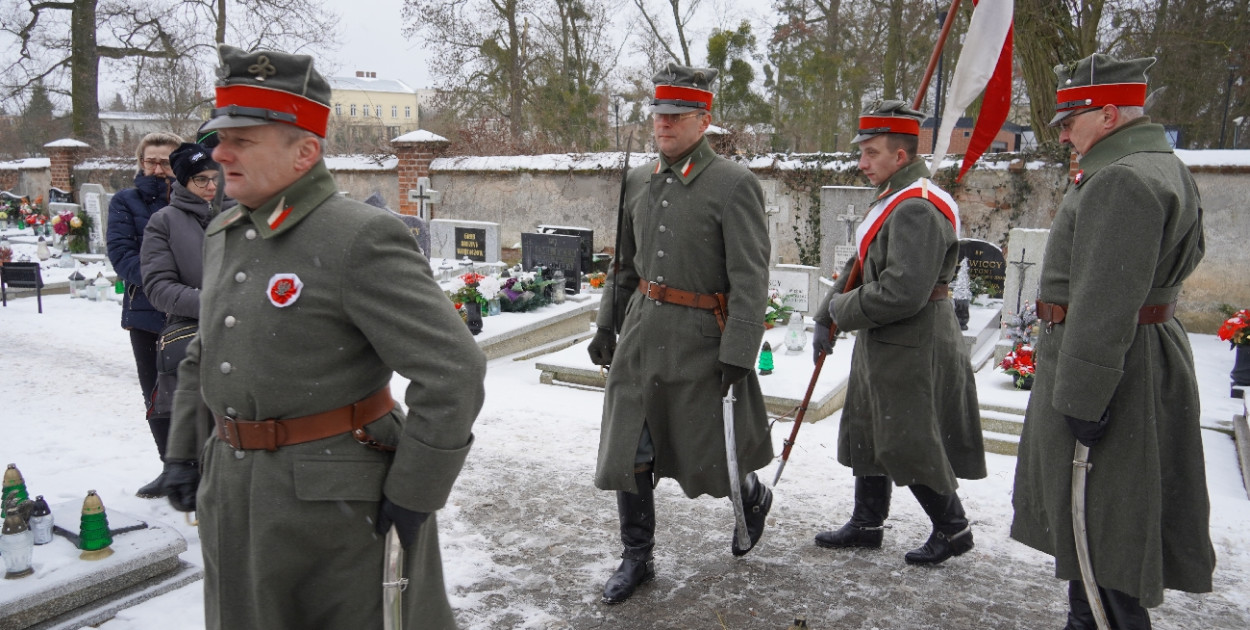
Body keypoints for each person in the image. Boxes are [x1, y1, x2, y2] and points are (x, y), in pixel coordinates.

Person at [159, 44, 486, 629]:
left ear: (305, 151)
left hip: (332, 506)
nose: (219, 153)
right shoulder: (229, 228)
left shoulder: (358, 237)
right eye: (220, 136)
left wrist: (416, 490)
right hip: (233, 488)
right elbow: (206, 350)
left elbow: (453, 370)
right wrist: (186, 452)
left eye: (243, 140)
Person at [1011, 53, 1214, 630]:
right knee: (1103, 530)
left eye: (1069, 121)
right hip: (1138, 358)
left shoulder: (1121, 179)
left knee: (1102, 532)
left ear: (1106, 114)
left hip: (1112, 371)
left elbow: (1103, 305)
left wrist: (1080, 398)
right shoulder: (1159, 163)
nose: (1063, 134)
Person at [586, 63, 773, 605]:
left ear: (702, 120)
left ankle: (751, 494)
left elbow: (750, 277)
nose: (662, 125)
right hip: (642, 330)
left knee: (710, 449)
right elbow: (624, 264)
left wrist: (741, 348)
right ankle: (637, 555)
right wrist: (607, 322)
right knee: (630, 445)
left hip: (701, 337)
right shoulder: (639, 179)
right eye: (657, 114)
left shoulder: (734, 185)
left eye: (676, 116)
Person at [810, 100, 985, 566]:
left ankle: (953, 528)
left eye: (870, 153)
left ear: (901, 156)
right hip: (886, 338)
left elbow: (902, 293)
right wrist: (824, 314)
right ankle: (867, 522)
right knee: (870, 427)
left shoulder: (917, 209)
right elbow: (860, 264)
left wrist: (841, 311)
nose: (861, 162)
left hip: (913, 339)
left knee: (908, 436)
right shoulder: (893, 195)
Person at [107, 131, 180, 498]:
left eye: (165, 161)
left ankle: (200, 466)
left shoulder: (197, 199)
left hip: (192, 314)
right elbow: (122, 255)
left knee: (198, 393)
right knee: (156, 394)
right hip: (146, 313)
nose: (157, 168)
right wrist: (165, 284)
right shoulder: (126, 201)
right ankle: (169, 466)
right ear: (140, 163)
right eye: (150, 161)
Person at [140, 142, 223, 459]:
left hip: (239, 336)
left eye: (214, 178)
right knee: (203, 439)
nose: (211, 186)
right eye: (201, 179)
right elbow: (159, 288)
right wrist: (213, 304)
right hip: (194, 340)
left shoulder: (231, 214)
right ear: (184, 181)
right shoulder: (165, 221)